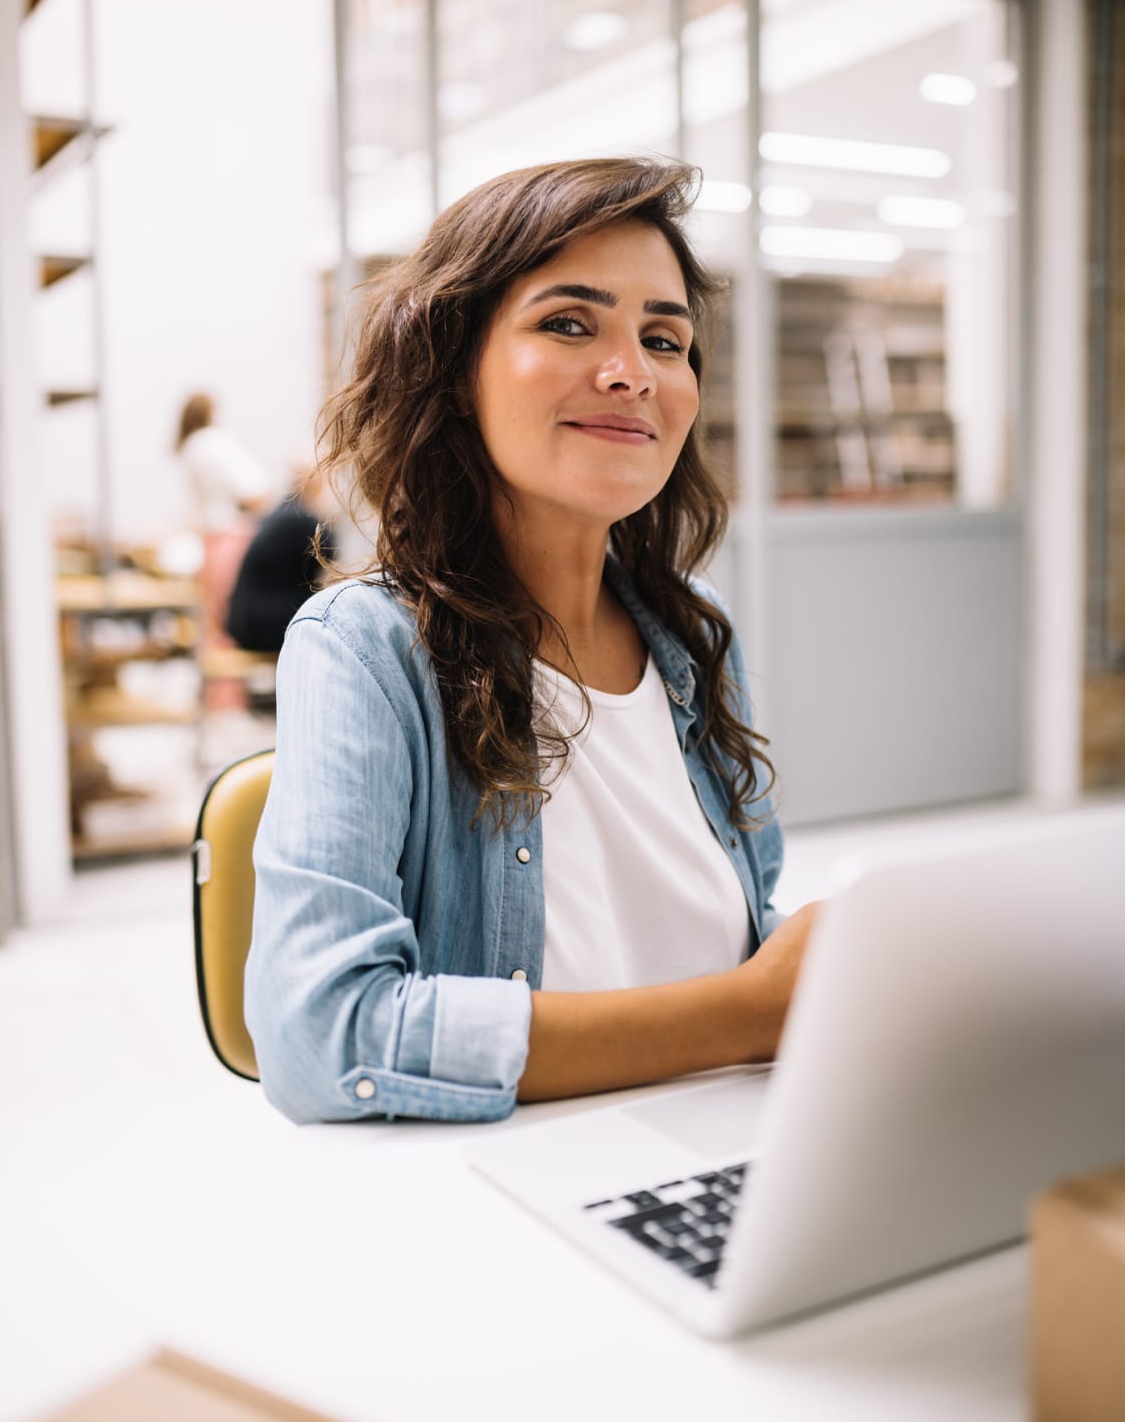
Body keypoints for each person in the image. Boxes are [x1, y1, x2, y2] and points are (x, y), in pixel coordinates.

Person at [245, 157, 821, 1126]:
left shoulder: (691, 628)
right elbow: (321, 1034)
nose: (632, 371)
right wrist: (748, 1015)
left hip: (733, 1145)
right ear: (453, 365)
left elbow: (744, 938)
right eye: (568, 322)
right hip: (516, 1184)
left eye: (665, 338)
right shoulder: (365, 646)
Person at [174, 391, 271, 709]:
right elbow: (256, 490)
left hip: (209, 543)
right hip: (231, 540)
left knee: (212, 625)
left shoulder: (188, 448)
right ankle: (230, 704)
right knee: (231, 622)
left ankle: (215, 701)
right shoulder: (216, 442)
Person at [226, 467, 337, 655]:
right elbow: (331, 556)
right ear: (315, 486)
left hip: (244, 621)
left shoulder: (281, 512)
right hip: (261, 624)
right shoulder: (302, 519)